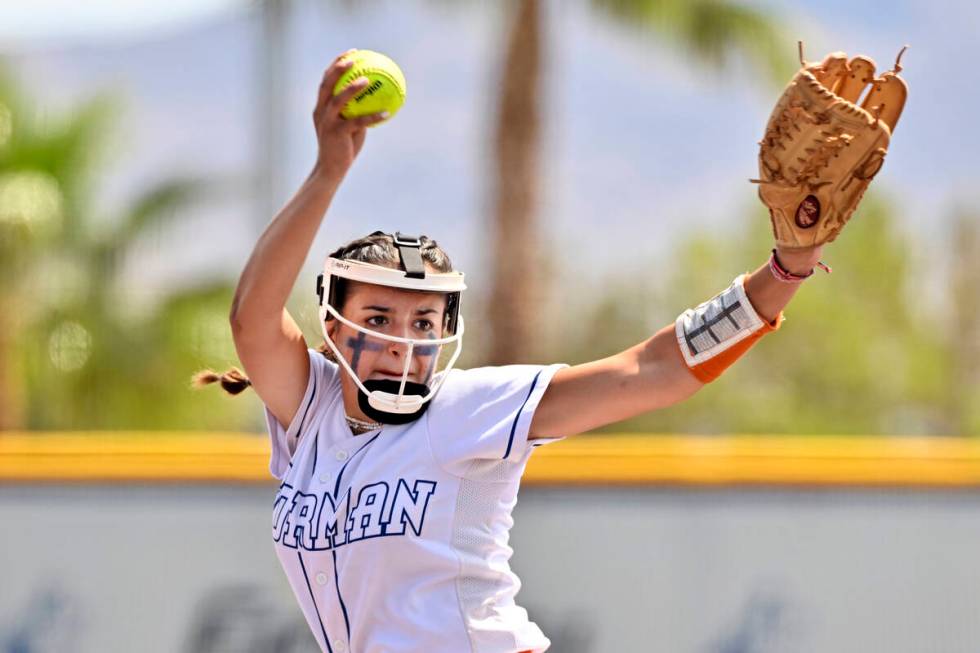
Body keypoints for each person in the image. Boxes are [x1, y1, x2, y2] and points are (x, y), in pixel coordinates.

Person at [197, 51, 825, 653]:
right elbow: (251, 319)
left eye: (423, 319)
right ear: (334, 323)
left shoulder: (465, 408)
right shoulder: (313, 414)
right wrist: (328, 171)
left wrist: (785, 272)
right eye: (379, 316)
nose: (403, 340)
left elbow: (652, 369)